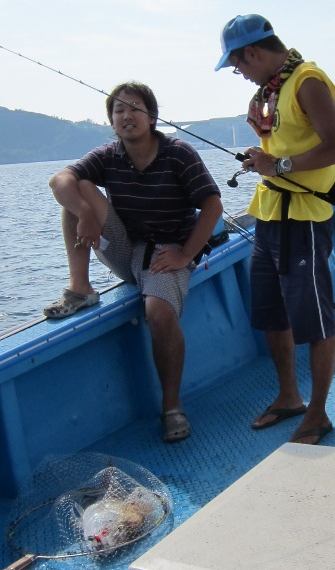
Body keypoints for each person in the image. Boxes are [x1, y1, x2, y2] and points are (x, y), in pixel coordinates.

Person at [43, 81, 223, 443]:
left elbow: (213, 205)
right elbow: (59, 179)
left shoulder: (179, 153)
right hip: (128, 248)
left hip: (167, 251)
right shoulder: (109, 155)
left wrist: (186, 254)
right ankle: (80, 288)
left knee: (158, 313)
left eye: (135, 107)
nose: (127, 115)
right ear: (111, 122)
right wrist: (84, 213)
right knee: (76, 188)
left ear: (152, 116)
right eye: (119, 110)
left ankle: (171, 407)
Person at [215, 14, 335, 444]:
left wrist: (278, 165)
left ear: (254, 52)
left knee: (317, 320)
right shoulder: (274, 90)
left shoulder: (307, 80)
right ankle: (289, 397)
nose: (240, 73)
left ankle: (318, 412)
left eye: (238, 65)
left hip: (303, 218)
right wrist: (262, 159)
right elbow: (287, 146)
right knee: (271, 312)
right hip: (269, 215)